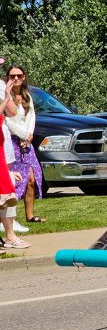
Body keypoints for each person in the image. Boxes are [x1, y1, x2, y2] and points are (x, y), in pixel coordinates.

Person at [5, 65, 44, 224]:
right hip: (12, 141)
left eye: (19, 75)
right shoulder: (4, 96)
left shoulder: (27, 95)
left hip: (26, 143)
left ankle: (30, 216)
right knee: (14, 181)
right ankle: (8, 219)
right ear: (7, 77)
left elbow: (32, 117)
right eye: (12, 76)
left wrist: (29, 135)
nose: (16, 79)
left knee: (32, 179)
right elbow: (6, 120)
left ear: (24, 77)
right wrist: (23, 134)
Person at [0, 75, 28, 249]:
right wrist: (7, 95)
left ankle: (10, 233)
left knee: (6, 185)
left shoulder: (1, 84)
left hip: (2, 140)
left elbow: (13, 112)